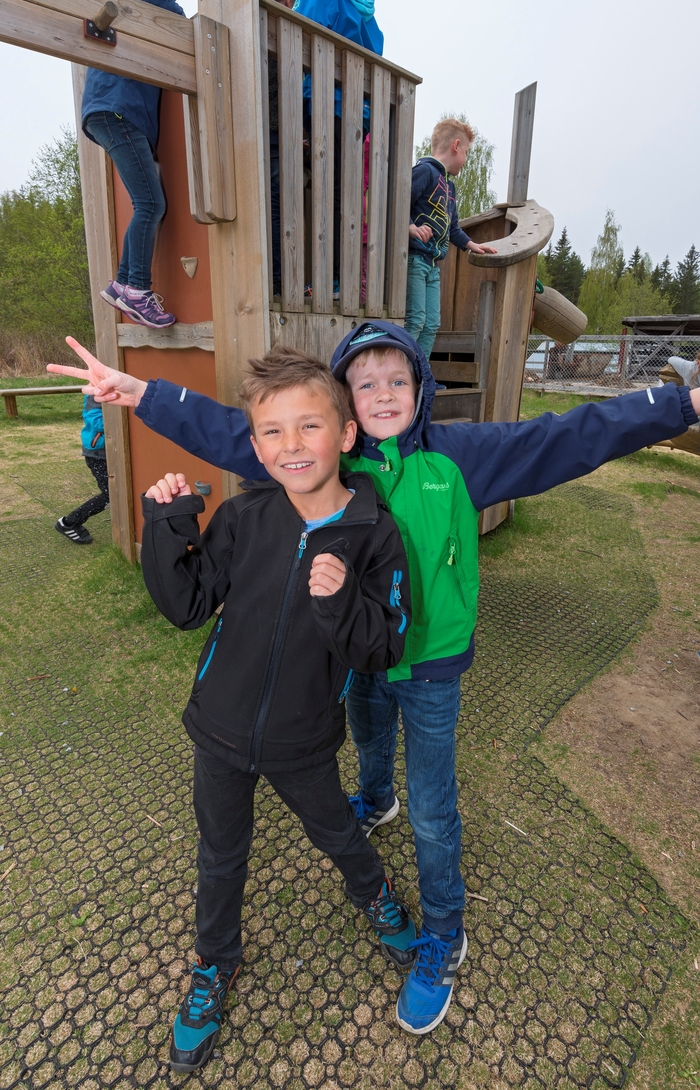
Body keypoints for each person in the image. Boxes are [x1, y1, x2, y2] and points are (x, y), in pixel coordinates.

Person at [48, 328, 700, 1035]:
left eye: (399, 379)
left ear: (421, 391)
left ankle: (444, 936)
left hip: (426, 666)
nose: (384, 392)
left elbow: (572, 433)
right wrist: (140, 392)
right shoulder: (328, 453)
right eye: (366, 381)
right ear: (346, 407)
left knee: (433, 808)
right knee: (365, 735)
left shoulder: (459, 458)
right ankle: (374, 800)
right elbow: (237, 431)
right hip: (354, 653)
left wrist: (683, 404)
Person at [139, 348, 416, 1072]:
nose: (290, 446)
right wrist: (168, 527)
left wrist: (340, 603)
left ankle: (375, 895)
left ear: (347, 434)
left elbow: (383, 646)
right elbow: (188, 605)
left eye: (308, 427)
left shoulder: (376, 534)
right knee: (221, 854)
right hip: (220, 728)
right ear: (256, 444)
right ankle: (213, 964)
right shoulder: (242, 515)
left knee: (336, 831)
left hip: (302, 738)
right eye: (271, 432)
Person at [81, 0, 185, 329]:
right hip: (117, 108)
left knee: (149, 201)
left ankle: (124, 285)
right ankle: (137, 289)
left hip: (115, 111)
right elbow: (161, 4)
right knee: (151, 204)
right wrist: (179, 19)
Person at [293, 0, 382, 299]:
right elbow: (375, 52)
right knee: (346, 195)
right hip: (357, 114)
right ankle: (343, 278)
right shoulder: (368, 10)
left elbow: (298, 34)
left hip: (323, 104)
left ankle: (328, 278)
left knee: (323, 192)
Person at [407, 118, 497, 359]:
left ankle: (421, 377)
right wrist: (411, 227)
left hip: (433, 265)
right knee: (416, 320)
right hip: (415, 259)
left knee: (432, 324)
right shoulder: (424, 172)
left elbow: (452, 228)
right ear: (456, 146)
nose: (466, 160)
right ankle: (402, 375)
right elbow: (398, 203)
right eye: (466, 152)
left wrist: (471, 245)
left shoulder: (450, 188)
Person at [258, 0, 301, 298]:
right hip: (272, 133)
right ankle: (276, 279)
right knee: (277, 204)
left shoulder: (247, 17)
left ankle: (270, 276)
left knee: (259, 204)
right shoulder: (283, 30)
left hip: (247, 130)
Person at [54, 395, 109, 545]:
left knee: (115, 493)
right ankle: (69, 523)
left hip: (110, 451)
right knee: (110, 494)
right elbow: (95, 420)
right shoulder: (95, 394)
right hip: (98, 454)